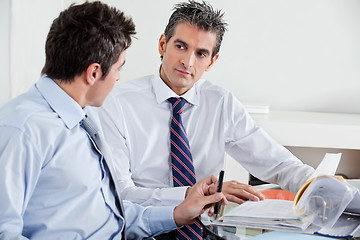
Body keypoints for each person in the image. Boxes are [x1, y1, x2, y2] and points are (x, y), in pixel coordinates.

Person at [0, 1, 227, 239]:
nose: (119, 78)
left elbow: (108, 214)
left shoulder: (85, 117)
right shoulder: (21, 130)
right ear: (94, 73)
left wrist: (176, 214)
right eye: (119, 68)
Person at [99, 0, 315, 209]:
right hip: (146, 228)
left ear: (211, 61)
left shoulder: (220, 102)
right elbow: (120, 192)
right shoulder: (116, 103)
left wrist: (320, 185)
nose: (188, 62)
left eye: (201, 53)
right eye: (181, 46)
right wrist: (192, 195)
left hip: (205, 228)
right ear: (163, 44)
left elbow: (279, 164)